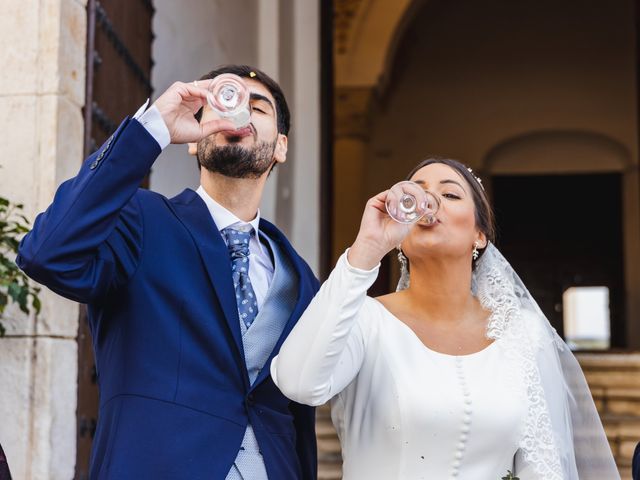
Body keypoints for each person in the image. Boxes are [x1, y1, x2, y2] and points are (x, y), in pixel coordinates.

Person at [17, 65, 319, 479]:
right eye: (224, 101)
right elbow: (46, 253)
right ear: (194, 141)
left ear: (281, 146)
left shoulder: (301, 277)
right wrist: (153, 129)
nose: (240, 113)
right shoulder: (140, 220)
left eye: (258, 107)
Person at [271, 158, 619, 479]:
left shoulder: (523, 333)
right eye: (417, 192)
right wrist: (366, 248)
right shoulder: (365, 319)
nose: (428, 202)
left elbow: (540, 466)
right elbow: (299, 382)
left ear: (479, 235)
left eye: (450, 193)